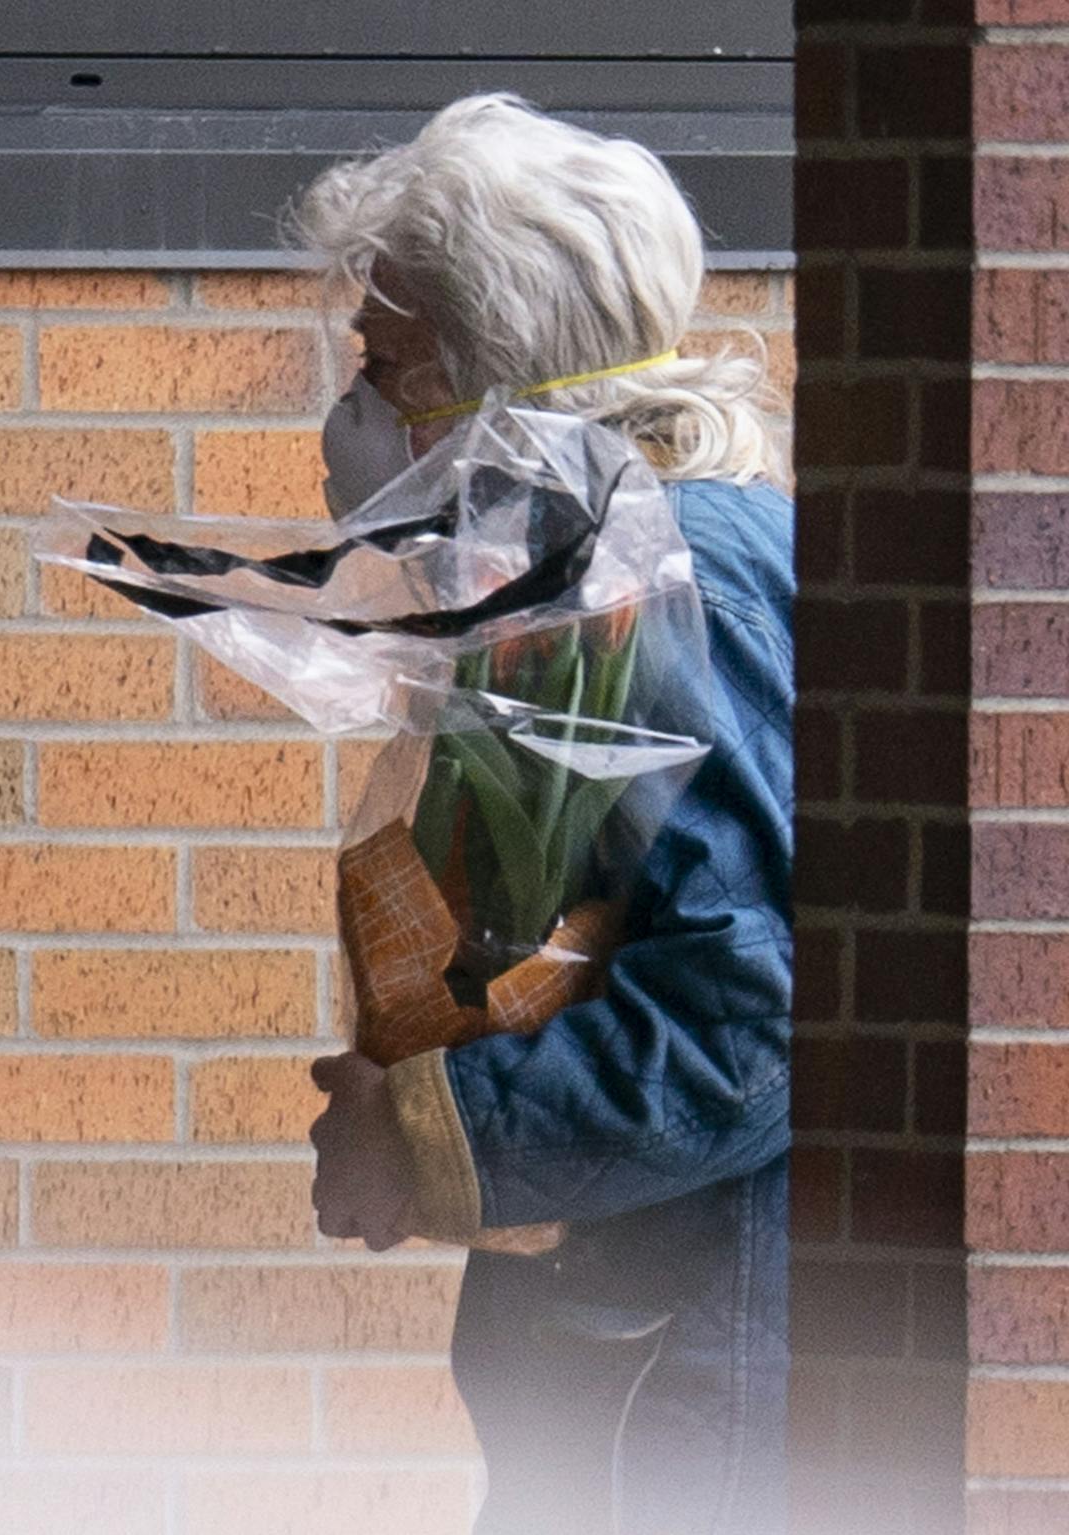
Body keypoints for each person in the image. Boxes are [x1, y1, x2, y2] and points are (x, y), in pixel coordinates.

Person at [301, 96, 794, 1535]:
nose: (355, 413)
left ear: (498, 375)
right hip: (634, 1364)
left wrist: (435, 1124)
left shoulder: (665, 578)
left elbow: (766, 1013)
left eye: (385, 366)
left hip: (689, 1405)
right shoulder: (614, 563)